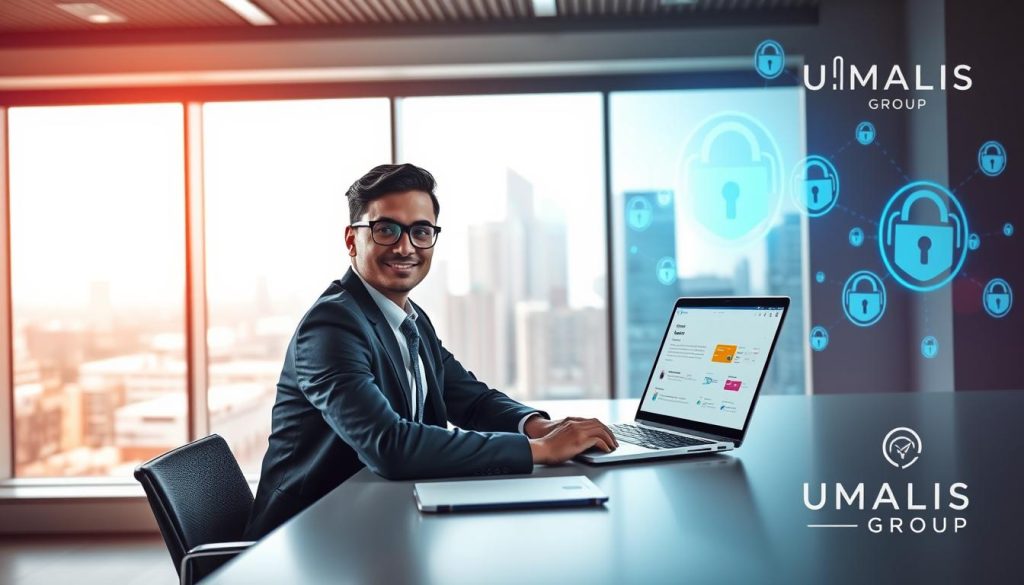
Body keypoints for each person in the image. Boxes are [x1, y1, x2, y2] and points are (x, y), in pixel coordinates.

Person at [245, 163, 617, 539]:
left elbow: (469, 400)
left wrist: (537, 425)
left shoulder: (410, 318)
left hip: (378, 523)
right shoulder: (331, 326)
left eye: (420, 231)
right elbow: (389, 445)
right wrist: (538, 450)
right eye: (386, 229)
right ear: (351, 240)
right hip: (305, 542)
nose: (405, 247)